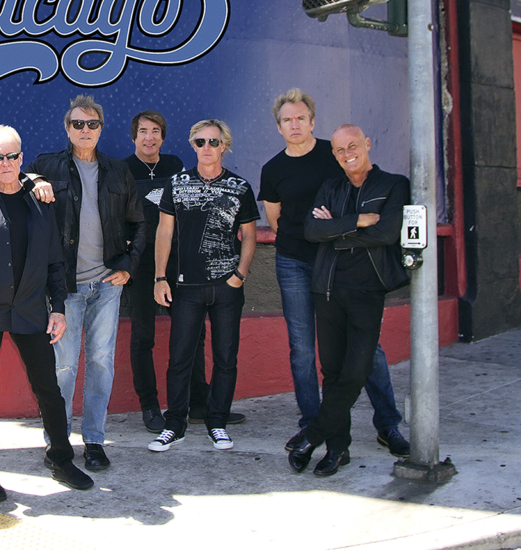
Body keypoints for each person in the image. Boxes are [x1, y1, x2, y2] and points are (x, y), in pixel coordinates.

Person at [0, 126, 94, 502]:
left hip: (30, 312)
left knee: (49, 390)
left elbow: (55, 263)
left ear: (22, 158)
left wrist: (57, 308)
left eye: (12, 156)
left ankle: (61, 459)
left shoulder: (41, 203)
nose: (6, 163)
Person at [258, 89, 408, 458]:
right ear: (278, 127)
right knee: (303, 349)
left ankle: (387, 424)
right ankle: (314, 422)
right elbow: (277, 220)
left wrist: (334, 227)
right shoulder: (273, 169)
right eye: (286, 120)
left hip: (342, 263)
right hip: (294, 261)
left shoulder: (335, 153)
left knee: (366, 347)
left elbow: (361, 194)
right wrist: (347, 224)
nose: (294, 125)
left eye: (300, 118)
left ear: (312, 121)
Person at [25, 95, 147, 472]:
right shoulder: (47, 166)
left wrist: (129, 265)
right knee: (63, 366)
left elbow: (140, 222)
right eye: (78, 124)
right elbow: (6, 178)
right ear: (67, 128)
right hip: (66, 288)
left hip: (107, 284)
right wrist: (33, 180)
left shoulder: (117, 171)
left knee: (100, 361)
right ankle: (57, 441)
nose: (85, 130)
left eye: (92, 124)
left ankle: (94, 440)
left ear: (101, 128)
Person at [288, 124, 410, 476]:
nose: (346, 153)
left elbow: (387, 232)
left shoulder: (393, 184)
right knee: (333, 371)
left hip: (367, 292)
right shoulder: (331, 187)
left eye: (352, 146)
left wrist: (336, 230)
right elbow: (312, 231)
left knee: (356, 371)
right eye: (340, 150)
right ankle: (338, 450)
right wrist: (357, 221)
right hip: (327, 289)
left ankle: (312, 436)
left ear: (367, 144)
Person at [149, 119, 258, 453]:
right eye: (200, 142)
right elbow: (164, 232)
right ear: (192, 144)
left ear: (224, 145)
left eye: (213, 141)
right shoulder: (176, 184)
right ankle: (175, 425)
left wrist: (240, 274)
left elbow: (250, 234)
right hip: (187, 287)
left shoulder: (239, 186)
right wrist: (159, 277)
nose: (206, 148)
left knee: (226, 357)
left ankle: (218, 422)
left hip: (227, 287)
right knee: (180, 357)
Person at [122, 111, 183, 432]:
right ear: (134, 137)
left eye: (155, 131)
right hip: (141, 265)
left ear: (163, 136)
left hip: (177, 262)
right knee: (143, 336)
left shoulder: (174, 166)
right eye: (143, 131)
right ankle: (149, 406)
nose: (149, 137)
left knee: (190, 334)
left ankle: (196, 403)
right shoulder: (122, 169)